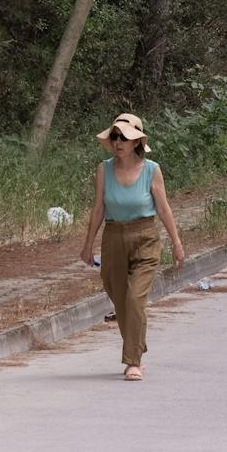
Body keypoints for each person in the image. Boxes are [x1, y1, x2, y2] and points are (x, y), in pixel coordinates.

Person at [80, 112, 185, 381]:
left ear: (136, 141)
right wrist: (88, 244)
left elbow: (163, 207)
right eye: (115, 136)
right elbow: (98, 207)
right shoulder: (104, 169)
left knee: (135, 299)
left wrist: (176, 243)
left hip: (145, 237)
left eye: (124, 137)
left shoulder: (152, 169)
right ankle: (137, 346)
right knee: (119, 297)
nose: (118, 142)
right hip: (113, 237)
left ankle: (133, 361)